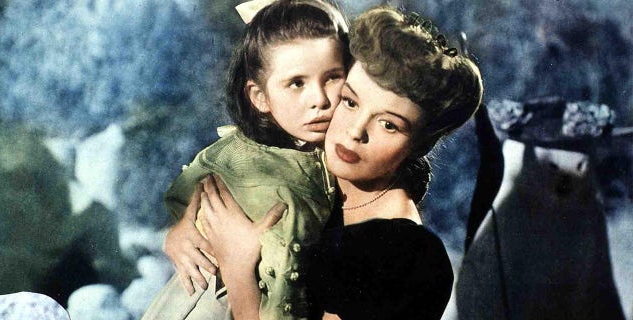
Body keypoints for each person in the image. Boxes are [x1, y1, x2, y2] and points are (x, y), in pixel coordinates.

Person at [198, 5, 484, 320]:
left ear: (418, 144)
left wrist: (239, 270)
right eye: (349, 101)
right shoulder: (305, 176)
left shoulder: (409, 257)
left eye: (388, 124)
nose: (355, 131)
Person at [141, 1, 350, 319]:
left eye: (332, 78)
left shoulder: (328, 157)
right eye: (297, 83)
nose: (319, 100)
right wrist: (183, 229)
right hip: (210, 302)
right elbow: (184, 191)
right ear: (260, 98)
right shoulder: (244, 155)